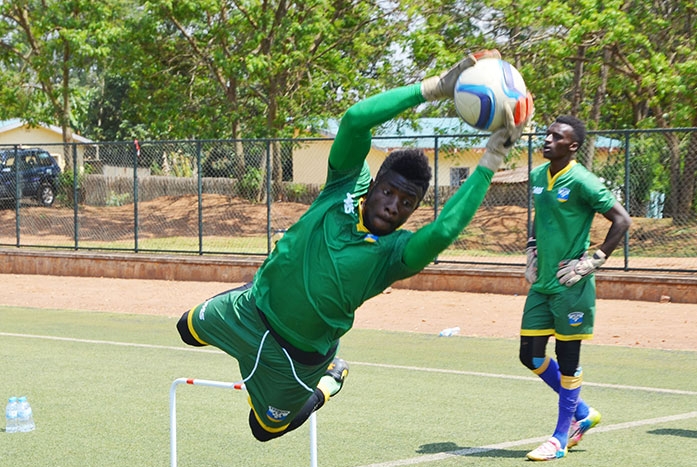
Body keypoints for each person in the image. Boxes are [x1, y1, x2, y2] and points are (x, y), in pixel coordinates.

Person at [176, 50, 530, 442]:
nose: (394, 205)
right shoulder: (345, 184)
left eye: (407, 203)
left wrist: (492, 157)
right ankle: (260, 290)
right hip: (248, 310)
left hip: (295, 357)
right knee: (185, 329)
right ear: (374, 185)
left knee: (264, 429)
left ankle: (329, 382)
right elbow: (356, 120)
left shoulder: (392, 255)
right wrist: (434, 89)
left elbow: (444, 231)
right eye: (389, 192)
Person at [519, 115, 631, 461]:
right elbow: (541, 214)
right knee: (530, 355)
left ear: (573, 146)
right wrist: (532, 248)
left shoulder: (584, 181)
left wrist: (593, 260)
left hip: (572, 285)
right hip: (543, 284)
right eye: (548, 134)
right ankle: (582, 412)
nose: (548, 139)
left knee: (568, 362)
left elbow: (622, 220)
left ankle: (559, 439)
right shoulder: (538, 176)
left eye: (557, 136)